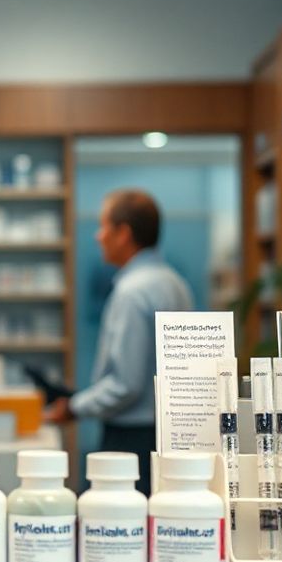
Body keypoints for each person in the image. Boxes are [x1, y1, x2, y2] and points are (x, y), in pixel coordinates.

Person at [47, 189, 192, 495]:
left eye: (103, 227)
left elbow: (126, 384)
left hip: (131, 440)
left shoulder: (131, 292)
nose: (98, 236)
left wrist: (75, 407)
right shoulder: (175, 284)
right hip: (171, 434)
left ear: (123, 233)